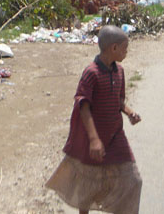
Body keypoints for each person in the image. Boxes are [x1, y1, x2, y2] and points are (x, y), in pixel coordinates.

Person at [46, 25, 142, 214]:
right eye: (125, 48)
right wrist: (94, 139)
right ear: (113, 48)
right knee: (88, 181)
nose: (127, 52)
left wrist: (129, 112)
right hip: (93, 137)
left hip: (115, 135)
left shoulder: (119, 72)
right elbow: (83, 105)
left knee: (133, 181)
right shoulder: (91, 73)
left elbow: (119, 100)